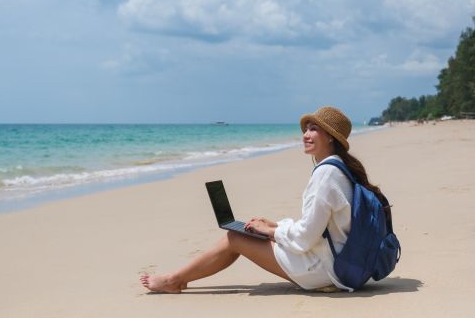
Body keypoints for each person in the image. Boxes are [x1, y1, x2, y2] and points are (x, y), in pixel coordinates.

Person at [140, 106, 385, 293]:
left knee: (235, 237)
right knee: (247, 232)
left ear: (330, 137)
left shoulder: (326, 175)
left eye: (313, 129)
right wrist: (276, 226)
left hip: (327, 269)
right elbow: (320, 228)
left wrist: (270, 233)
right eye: (305, 129)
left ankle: (174, 280)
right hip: (339, 261)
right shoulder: (339, 168)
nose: (306, 135)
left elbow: (306, 238)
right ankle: (177, 278)